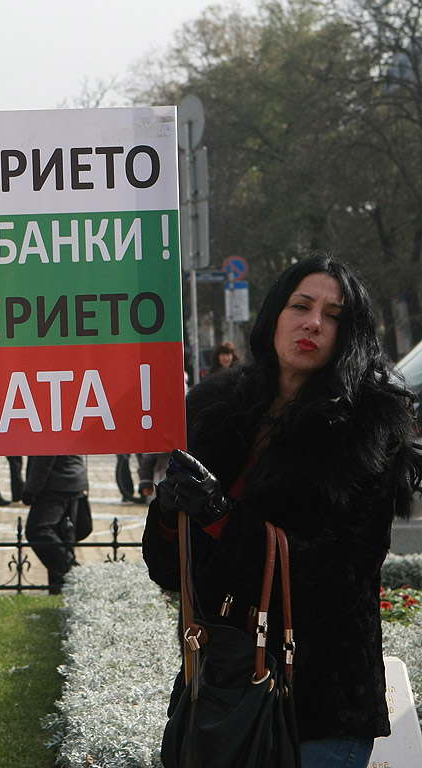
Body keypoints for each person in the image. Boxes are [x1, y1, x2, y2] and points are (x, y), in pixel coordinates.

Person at [142, 254, 422, 767]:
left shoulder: (368, 430)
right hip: (219, 691)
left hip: (316, 706)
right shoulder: (215, 412)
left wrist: (222, 517)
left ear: (348, 333)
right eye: (301, 305)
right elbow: (170, 571)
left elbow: (338, 575)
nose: (314, 322)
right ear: (274, 315)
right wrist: (169, 513)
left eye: (333, 314)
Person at [21, 455, 91, 594]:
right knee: (62, 536)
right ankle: (60, 589)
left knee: (38, 530)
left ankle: (75, 572)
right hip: (70, 478)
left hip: (57, 481)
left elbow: (45, 455)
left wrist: (31, 489)